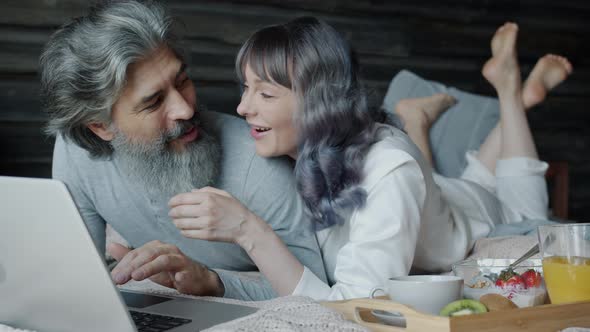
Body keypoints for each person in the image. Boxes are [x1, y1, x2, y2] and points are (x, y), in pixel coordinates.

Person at [166, 18, 571, 301]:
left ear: (317, 106)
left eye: (265, 95)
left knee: (525, 207)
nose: (241, 107)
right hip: (439, 194)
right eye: (246, 88)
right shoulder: (296, 153)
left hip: (477, 216)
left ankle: (511, 91)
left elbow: (355, 309)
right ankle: (507, 98)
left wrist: (247, 229)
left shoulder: (390, 172)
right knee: (475, 177)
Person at [39, 0, 326, 300]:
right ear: (100, 127)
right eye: (153, 102)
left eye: (182, 81)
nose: (185, 109)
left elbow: (314, 288)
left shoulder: (259, 165)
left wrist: (213, 282)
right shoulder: (75, 152)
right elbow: (76, 273)